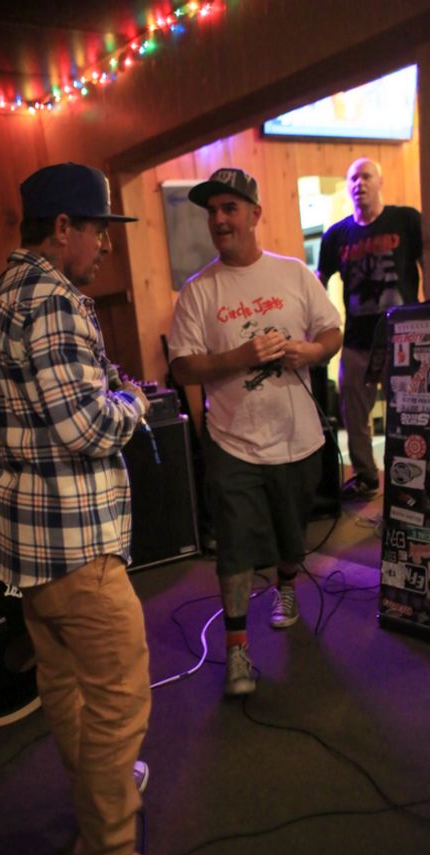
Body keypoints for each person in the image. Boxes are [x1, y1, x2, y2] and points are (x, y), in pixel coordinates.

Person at [0, 163, 197, 855]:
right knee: (120, 704)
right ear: (63, 228)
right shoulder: (55, 301)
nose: (104, 245)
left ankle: (101, 789)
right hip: (80, 548)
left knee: (67, 692)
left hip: (30, 547)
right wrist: (133, 400)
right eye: (98, 230)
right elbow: (87, 427)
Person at [168, 167, 342, 697]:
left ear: (255, 214)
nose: (219, 220)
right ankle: (237, 648)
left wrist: (310, 351)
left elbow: (332, 331)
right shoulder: (198, 291)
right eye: (212, 212)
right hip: (233, 441)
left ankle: (287, 586)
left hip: (297, 436)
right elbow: (183, 367)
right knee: (236, 545)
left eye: (230, 209)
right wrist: (241, 356)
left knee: (293, 532)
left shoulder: (293, 274)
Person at [317, 157, 423, 499]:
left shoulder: (406, 220)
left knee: (409, 414)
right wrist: (319, 324)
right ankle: (366, 477)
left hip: (403, 339)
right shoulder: (336, 235)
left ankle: (412, 481)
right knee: (353, 414)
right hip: (357, 342)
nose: (358, 183)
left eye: (366, 176)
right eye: (352, 178)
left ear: (380, 182)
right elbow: (319, 282)